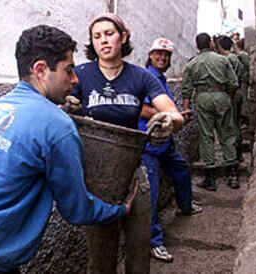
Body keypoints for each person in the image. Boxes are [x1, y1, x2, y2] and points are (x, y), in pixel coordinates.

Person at [0, 25, 137, 273]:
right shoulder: (58, 126)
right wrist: (118, 210)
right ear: (40, 70)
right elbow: (77, 210)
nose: (75, 79)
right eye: (68, 70)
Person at [70, 13, 185, 274]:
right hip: (95, 175)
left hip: (134, 171)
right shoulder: (81, 75)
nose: (103, 41)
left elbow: (173, 113)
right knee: (101, 252)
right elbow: (56, 105)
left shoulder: (141, 77)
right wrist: (67, 105)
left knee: (139, 245)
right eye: (96, 37)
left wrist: (168, 121)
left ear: (123, 37)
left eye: (109, 34)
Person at [137, 37, 203, 263]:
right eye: (159, 54)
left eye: (166, 55)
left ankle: (185, 206)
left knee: (182, 169)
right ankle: (154, 243)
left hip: (165, 144)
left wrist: (175, 116)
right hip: (148, 147)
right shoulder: (144, 77)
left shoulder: (160, 78)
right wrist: (165, 115)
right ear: (150, 55)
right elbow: (140, 108)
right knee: (152, 195)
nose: (162, 58)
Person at [181, 32, 239, 191]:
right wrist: (229, 98)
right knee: (226, 133)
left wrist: (186, 109)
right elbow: (233, 83)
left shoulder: (192, 64)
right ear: (212, 44)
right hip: (222, 96)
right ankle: (233, 174)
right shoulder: (223, 60)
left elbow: (186, 90)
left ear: (197, 46)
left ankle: (210, 178)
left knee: (206, 136)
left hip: (202, 97)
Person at [217, 35, 247, 164]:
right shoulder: (236, 58)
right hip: (238, 92)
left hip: (231, 93)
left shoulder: (226, 60)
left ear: (219, 46)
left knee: (230, 125)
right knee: (236, 123)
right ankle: (238, 153)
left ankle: (233, 154)